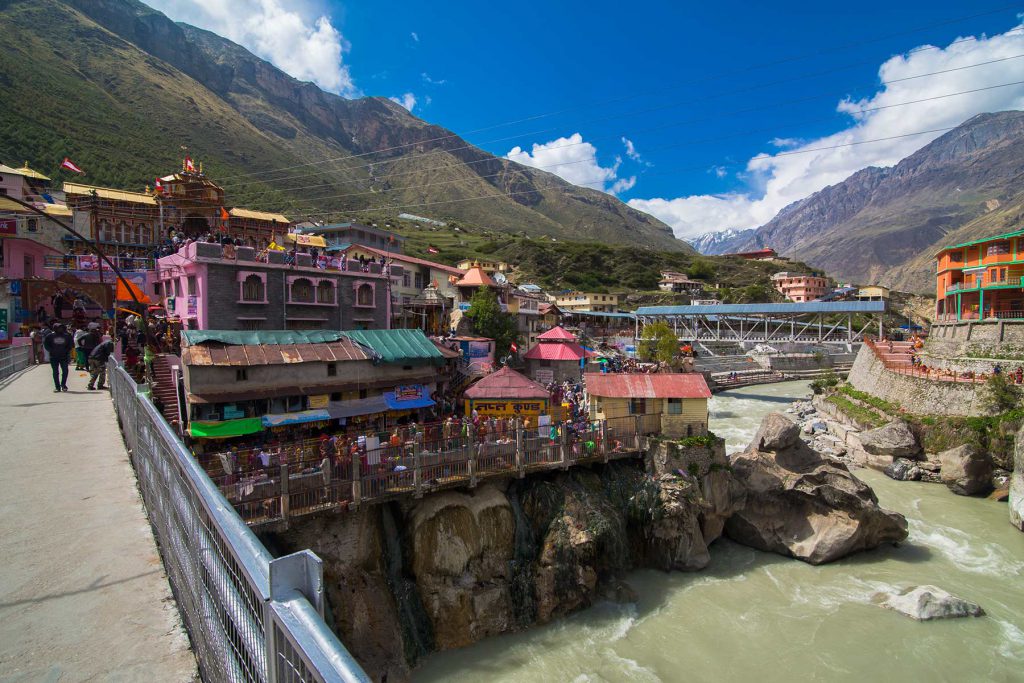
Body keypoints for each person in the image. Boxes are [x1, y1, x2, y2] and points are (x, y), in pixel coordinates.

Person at [43, 323, 74, 392]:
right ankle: (57, 387)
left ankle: (63, 385)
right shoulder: (50, 336)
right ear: (55, 328)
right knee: (55, 372)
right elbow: (46, 345)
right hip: (53, 357)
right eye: (59, 327)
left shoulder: (67, 336)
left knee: (65, 371)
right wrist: (51, 350)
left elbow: (70, 345)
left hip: (64, 356)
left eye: (61, 327)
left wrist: (66, 351)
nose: (60, 329)